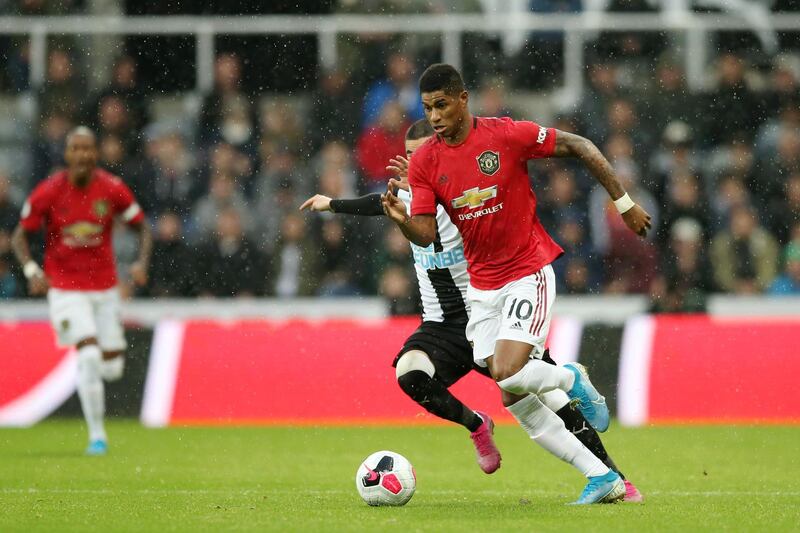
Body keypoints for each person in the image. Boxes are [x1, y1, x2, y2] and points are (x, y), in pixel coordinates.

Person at [302, 119, 642, 502]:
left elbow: (465, 210)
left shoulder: (459, 197)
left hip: (491, 313)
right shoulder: (411, 197)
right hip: (443, 325)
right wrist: (331, 204)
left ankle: (614, 476)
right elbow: (380, 204)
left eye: (424, 156)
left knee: (543, 397)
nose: (419, 165)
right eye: (412, 158)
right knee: (410, 373)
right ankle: (476, 425)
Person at [382, 64, 651, 504]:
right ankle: (602, 477)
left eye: (442, 105)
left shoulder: (505, 135)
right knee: (514, 396)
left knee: (511, 372)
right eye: (428, 107)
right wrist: (402, 223)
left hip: (527, 270)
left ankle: (571, 379)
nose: (434, 116)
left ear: (463, 99)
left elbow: (580, 145)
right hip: (482, 289)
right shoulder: (427, 161)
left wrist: (623, 203)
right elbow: (427, 234)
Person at [11, 127, 152, 456]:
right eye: (76, 148)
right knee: (88, 354)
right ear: (67, 154)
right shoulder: (49, 191)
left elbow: (143, 227)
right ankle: (97, 437)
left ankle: (93, 366)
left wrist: (141, 264)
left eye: (88, 149)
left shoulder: (112, 188)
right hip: (64, 288)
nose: (83, 155)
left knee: (112, 367)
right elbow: (20, 235)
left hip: (105, 288)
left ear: (96, 154)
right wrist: (32, 270)